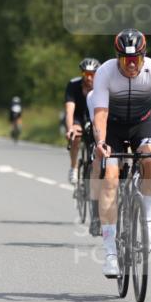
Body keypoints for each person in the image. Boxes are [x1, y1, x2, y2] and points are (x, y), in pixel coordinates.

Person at [91, 29, 151, 278]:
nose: (131, 65)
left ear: (143, 57)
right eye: (126, 60)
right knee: (110, 179)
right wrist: (101, 142)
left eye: (136, 60)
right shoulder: (105, 72)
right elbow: (100, 114)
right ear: (117, 58)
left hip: (142, 124)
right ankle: (111, 254)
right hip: (112, 127)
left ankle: (148, 220)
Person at [65, 58, 102, 234]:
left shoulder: (102, 85)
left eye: (92, 74)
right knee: (76, 136)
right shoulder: (73, 86)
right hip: (80, 117)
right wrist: (70, 128)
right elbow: (69, 111)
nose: (89, 77)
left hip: (95, 117)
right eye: (86, 74)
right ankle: (74, 167)